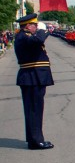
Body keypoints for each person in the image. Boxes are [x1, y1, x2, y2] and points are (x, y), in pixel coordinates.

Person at [14, 13, 54, 150]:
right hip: (32, 76)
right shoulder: (23, 36)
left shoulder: (26, 36)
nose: (36, 28)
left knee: (34, 109)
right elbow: (38, 40)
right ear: (27, 26)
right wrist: (44, 30)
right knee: (34, 110)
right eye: (34, 25)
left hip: (33, 76)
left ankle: (33, 139)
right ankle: (36, 141)